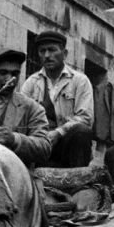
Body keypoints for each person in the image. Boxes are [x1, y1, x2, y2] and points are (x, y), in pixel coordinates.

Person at [20, 30, 94, 168]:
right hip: (40, 145)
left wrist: (58, 133)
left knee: (81, 131)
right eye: (42, 51)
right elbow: (21, 117)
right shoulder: (31, 83)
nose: (47, 55)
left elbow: (85, 117)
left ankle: (77, 181)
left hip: (66, 145)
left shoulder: (79, 81)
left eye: (52, 50)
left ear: (64, 54)